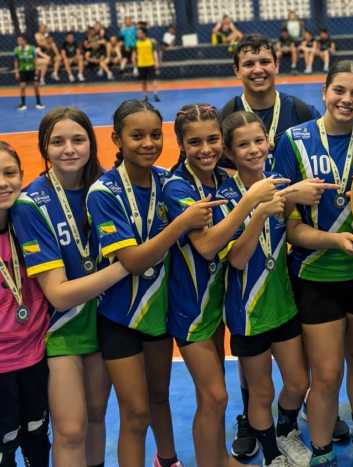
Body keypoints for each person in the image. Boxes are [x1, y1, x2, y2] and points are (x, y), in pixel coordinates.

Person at [86, 99, 220, 467]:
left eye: (155, 135)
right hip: (119, 318)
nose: (148, 143)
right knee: (136, 412)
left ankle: (168, 459)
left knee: (159, 396)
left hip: (159, 315)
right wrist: (180, 223)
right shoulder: (104, 193)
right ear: (117, 139)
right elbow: (132, 261)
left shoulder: (169, 182)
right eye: (137, 136)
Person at [275, 60, 353, 467]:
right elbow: (289, 228)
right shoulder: (293, 141)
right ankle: (321, 449)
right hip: (315, 274)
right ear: (324, 92)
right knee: (325, 374)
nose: (347, 99)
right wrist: (334, 240)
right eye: (339, 90)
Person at [10, 108, 130, 467]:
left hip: (106, 319)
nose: (69, 149)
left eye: (78, 139)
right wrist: (127, 265)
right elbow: (58, 294)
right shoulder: (31, 204)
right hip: (61, 328)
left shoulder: (108, 189)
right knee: (71, 429)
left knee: (96, 417)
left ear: (91, 143)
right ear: (44, 148)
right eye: (57, 142)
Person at [164, 104, 268, 467]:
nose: (206, 149)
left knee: (211, 397)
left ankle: (219, 459)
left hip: (216, 302)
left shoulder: (223, 180)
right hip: (189, 309)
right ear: (181, 144)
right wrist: (249, 202)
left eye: (212, 139)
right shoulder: (177, 187)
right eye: (195, 142)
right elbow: (206, 246)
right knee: (215, 396)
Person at [220, 110, 312, 467]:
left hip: (282, 304)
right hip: (246, 311)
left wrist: (295, 197)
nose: (254, 149)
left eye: (259, 141)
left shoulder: (279, 184)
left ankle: (286, 432)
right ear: (229, 152)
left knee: (297, 382)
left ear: (269, 141)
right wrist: (258, 213)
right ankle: (272, 455)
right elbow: (237, 259)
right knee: (261, 391)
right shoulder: (226, 196)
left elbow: (293, 226)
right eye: (243, 145)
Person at [0, 142, 51, 467]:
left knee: (37, 435)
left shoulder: (29, 223)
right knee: (4, 445)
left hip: (36, 357)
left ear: (21, 175)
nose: (3, 183)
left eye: (9, 173)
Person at [14, 34, 44, 111]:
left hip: (32, 70)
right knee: (22, 87)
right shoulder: (17, 50)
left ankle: (38, 103)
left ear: (25, 41)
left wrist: (36, 69)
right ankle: (23, 104)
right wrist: (17, 72)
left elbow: (35, 59)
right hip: (22, 70)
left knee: (36, 86)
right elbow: (16, 61)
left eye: (20, 40)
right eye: (18, 41)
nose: (19, 42)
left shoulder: (31, 49)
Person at [133, 27, 160, 102]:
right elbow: (134, 55)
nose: (138, 34)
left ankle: (156, 94)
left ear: (144, 34)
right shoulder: (136, 43)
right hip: (141, 65)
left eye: (139, 33)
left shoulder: (150, 42)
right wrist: (135, 67)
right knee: (143, 81)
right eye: (137, 33)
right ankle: (145, 96)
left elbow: (154, 53)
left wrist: (156, 62)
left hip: (150, 64)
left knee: (153, 80)